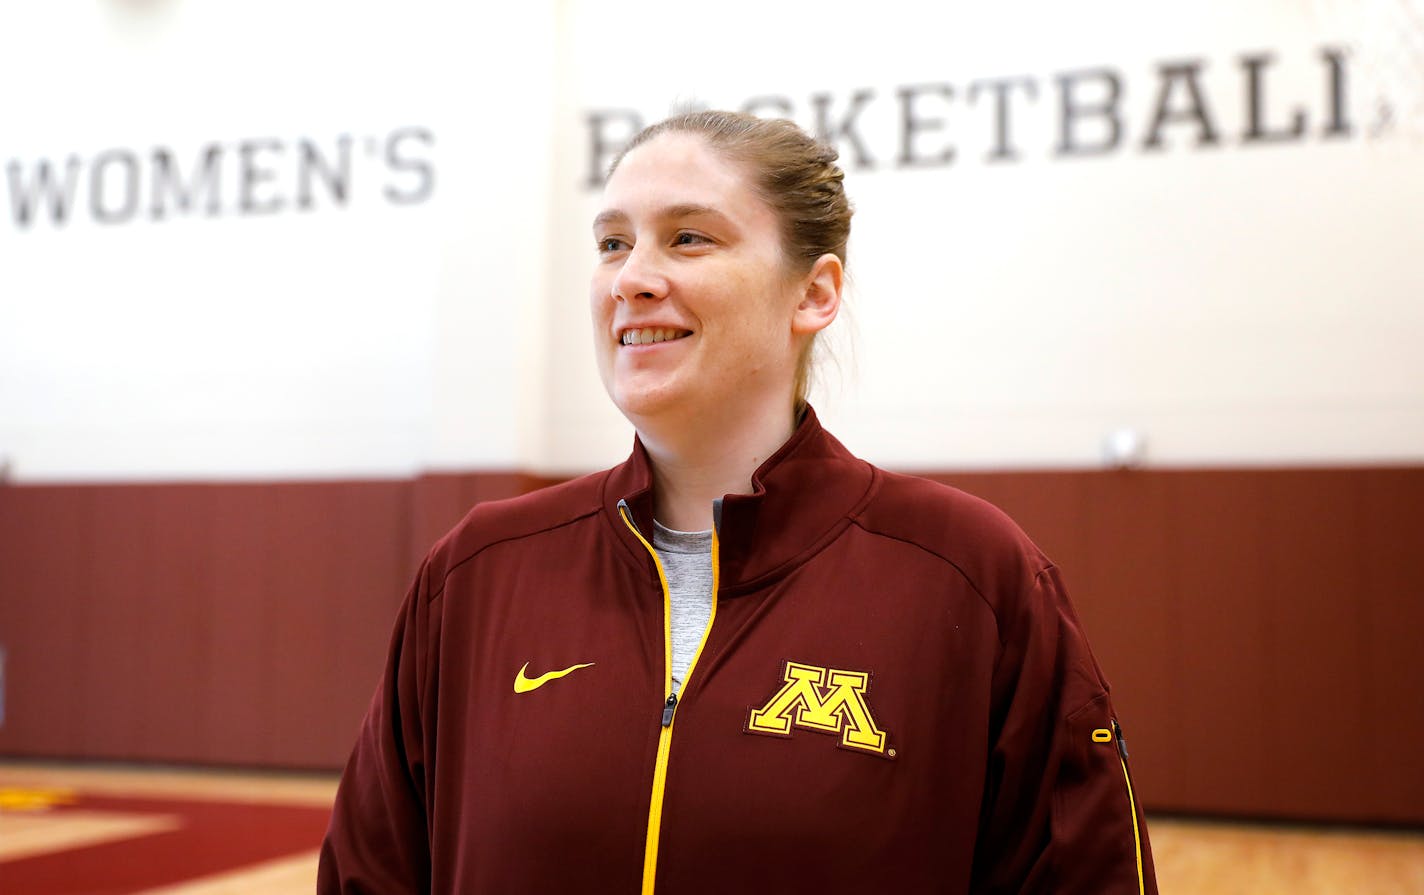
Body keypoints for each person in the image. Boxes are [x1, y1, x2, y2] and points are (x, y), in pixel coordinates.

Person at [318, 110, 1158, 894]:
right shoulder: (475, 574)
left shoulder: (973, 576)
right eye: (613, 243)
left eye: (689, 238)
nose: (633, 278)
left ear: (814, 294)